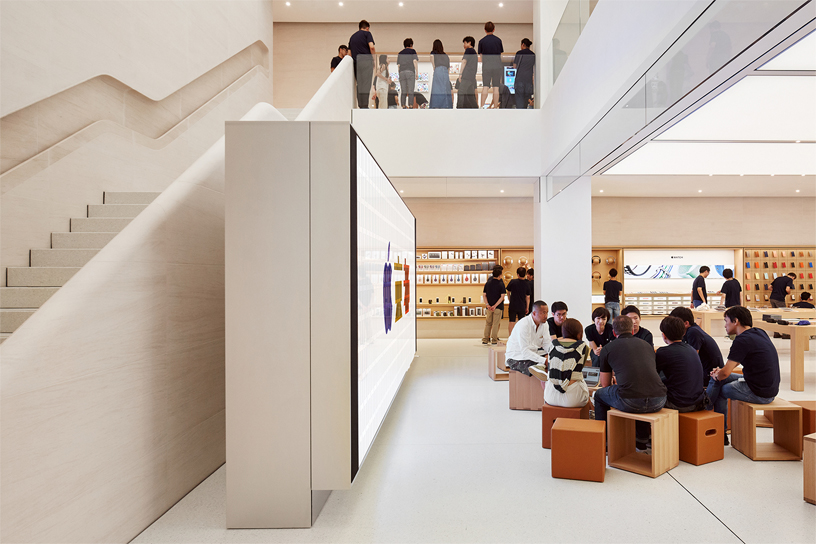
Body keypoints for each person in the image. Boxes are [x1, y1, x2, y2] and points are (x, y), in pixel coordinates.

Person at [706, 306, 779, 444]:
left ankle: (707, 414)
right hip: (768, 386)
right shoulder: (759, 332)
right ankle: (715, 423)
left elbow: (725, 373)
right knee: (719, 379)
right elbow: (730, 367)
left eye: (726, 321)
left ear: (736, 321)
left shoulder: (741, 340)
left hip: (760, 392)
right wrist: (720, 373)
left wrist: (718, 374)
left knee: (721, 388)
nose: (725, 325)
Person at [594, 316, 667, 452]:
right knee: (639, 389)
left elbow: (605, 384)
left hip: (630, 401)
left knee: (599, 395)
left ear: (614, 333)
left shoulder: (607, 348)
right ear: (632, 331)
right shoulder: (647, 345)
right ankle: (642, 440)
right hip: (660, 399)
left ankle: (604, 442)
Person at [528, 318, 589, 408]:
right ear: (579, 332)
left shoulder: (553, 345)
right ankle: (591, 413)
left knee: (551, 376)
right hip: (573, 399)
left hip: (550, 397)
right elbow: (580, 368)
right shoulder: (583, 346)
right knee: (582, 382)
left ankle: (541, 368)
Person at [656, 316, 706, 412]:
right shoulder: (691, 349)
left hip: (680, 404)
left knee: (645, 399)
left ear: (664, 335)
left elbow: (652, 374)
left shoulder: (663, 352)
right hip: (698, 402)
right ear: (683, 333)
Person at [669, 306, 724, 386]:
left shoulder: (693, 332)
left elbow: (692, 358)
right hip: (706, 372)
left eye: (674, 323)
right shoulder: (690, 331)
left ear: (686, 323)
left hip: (710, 375)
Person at [504, 301, 551, 376]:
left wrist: (550, 354)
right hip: (517, 357)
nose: (546, 316)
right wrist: (544, 360)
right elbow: (525, 351)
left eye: (547, 313)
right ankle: (541, 368)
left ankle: (542, 368)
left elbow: (547, 344)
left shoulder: (544, 324)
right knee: (533, 367)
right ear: (534, 313)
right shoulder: (523, 324)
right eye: (543, 313)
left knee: (554, 360)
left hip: (533, 354)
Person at [349, 20, 376, 108]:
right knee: (366, 84)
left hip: (356, 63)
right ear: (367, 28)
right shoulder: (367, 34)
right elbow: (371, 47)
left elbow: (349, 54)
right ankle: (364, 106)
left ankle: (361, 105)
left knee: (359, 85)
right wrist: (374, 60)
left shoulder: (352, 37)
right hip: (366, 61)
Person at [478, 21, 503, 109]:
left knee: (485, 86)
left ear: (485, 30)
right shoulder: (498, 40)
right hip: (497, 66)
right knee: (496, 87)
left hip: (486, 66)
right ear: (494, 29)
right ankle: (495, 107)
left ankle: (481, 106)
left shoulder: (481, 41)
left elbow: (481, 56)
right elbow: (500, 54)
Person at [482, 266, 506, 344]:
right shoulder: (501, 284)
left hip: (488, 308)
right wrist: (495, 305)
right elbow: (502, 297)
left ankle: (485, 339)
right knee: (496, 324)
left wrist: (488, 304)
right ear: (499, 275)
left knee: (488, 323)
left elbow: (484, 295)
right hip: (498, 307)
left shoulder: (488, 283)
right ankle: (494, 340)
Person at [506, 267, 531, 335]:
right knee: (522, 322)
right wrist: (527, 307)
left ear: (517, 274)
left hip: (513, 305)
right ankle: (521, 336)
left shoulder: (513, 282)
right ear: (525, 274)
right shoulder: (527, 283)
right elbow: (528, 297)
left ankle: (511, 337)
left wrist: (509, 299)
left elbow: (508, 291)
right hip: (522, 305)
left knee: (511, 321)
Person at [429, 39, 452, 109]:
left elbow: (431, 58)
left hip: (438, 70)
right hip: (445, 72)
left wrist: (434, 67)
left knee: (437, 89)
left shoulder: (433, 53)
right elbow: (448, 67)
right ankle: (446, 105)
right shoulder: (445, 55)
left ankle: (436, 105)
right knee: (445, 89)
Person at [512, 38, 535, 109]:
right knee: (526, 101)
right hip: (528, 81)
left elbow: (514, 66)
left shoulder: (519, 53)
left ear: (523, 44)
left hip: (520, 80)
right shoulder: (533, 55)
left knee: (519, 102)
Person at [456, 36, 478, 109]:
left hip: (467, 76)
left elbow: (464, 62)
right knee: (470, 96)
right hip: (472, 77)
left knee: (461, 92)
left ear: (469, 43)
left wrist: (460, 74)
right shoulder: (474, 52)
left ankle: (459, 109)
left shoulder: (468, 50)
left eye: (465, 43)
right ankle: (476, 109)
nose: (464, 45)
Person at [397, 38, 418, 109]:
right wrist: (417, 72)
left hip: (402, 72)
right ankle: (411, 105)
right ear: (411, 44)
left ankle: (403, 105)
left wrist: (399, 73)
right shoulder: (413, 51)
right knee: (411, 90)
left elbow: (398, 66)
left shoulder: (400, 53)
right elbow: (415, 61)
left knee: (403, 90)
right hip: (410, 71)